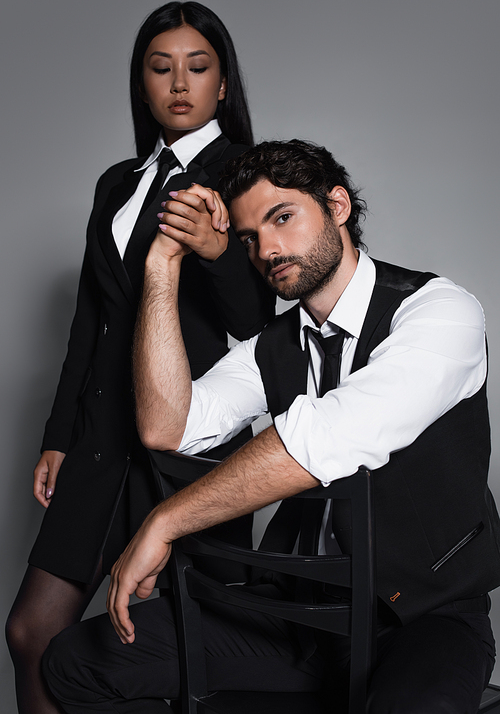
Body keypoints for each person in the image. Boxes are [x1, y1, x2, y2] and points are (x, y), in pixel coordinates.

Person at [43, 140, 500, 713]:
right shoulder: (274, 346)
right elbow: (167, 427)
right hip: (298, 618)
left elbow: (330, 435)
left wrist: (165, 521)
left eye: (282, 217)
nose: (267, 249)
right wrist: (161, 267)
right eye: (249, 237)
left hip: (420, 618)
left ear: (336, 206)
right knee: (77, 662)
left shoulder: (439, 311)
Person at [6, 2, 275, 714]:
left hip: (192, 450)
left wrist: (219, 255)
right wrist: (59, 434)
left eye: (197, 67)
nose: (179, 84)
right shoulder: (117, 184)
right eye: (161, 69)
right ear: (142, 84)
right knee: (31, 630)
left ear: (223, 85)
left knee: (170, 659)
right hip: (100, 444)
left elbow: (260, 327)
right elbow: (90, 320)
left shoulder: (250, 176)